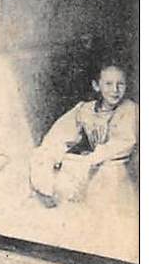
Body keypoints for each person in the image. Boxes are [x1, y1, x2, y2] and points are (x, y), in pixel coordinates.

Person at [29, 61, 138, 210]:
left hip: (127, 166)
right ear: (96, 86)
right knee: (49, 157)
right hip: (98, 160)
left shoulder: (130, 109)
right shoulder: (85, 109)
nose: (115, 90)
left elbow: (123, 144)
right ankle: (48, 195)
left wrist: (91, 159)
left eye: (121, 84)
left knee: (105, 172)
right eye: (108, 84)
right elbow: (58, 136)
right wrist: (53, 155)